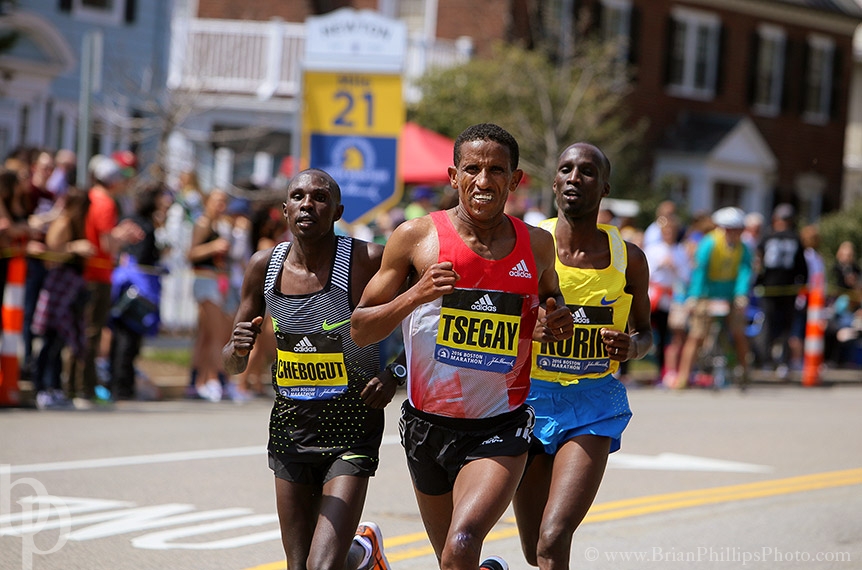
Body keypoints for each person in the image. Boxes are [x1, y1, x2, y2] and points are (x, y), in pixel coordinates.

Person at [350, 123, 574, 570]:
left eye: (496, 170)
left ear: (516, 179)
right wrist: (416, 295)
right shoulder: (415, 237)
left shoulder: (536, 244)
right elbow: (360, 328)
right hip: (425, 426)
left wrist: (553, 320)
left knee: (462, 543)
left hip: (500, 424)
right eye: (472, 169)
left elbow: (552, 301)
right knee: (452, 560)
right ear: (453, 176)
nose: (484, 181)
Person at [222, 168, 396, 570]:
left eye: (319, 197)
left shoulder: (367, 260)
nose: (308, 204)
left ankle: (357, 552)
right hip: (291, 430)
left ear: (337, 210)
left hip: (352, 427)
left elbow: (422, 318)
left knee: (321, 568)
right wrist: (236, 349)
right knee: (300, 567)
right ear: (284, 210)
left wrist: (395, 373)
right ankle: (363, 555)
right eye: (298, 196)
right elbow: (231, 364)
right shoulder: (263, 266)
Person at [511, 142, 653, 570]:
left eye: (587, 171)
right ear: (554, 182)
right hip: (526, 402)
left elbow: (646, 332)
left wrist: (633, 347)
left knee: (554, 538)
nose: (575, 177)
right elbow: (496, 319)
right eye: (566, 169)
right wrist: (530, 331)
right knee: (534, 547)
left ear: (604, 186)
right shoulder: (527, 245)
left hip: (591, 404)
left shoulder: (629, 257)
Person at [71, 154, 143, 409]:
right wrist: (123, 235)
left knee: (83, 331)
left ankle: (77, 387)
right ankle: (83, 389)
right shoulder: (105, 203)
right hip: (98, 275)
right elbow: (107, 244)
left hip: (87, 272)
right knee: (91, 333)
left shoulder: (90, 197)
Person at [674, 207, 754, 389]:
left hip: (731, 296)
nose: (733, 233)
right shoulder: (709, 243)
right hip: (706, 294)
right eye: (729, 229)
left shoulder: (744, 248)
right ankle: (683, 377)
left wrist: (741, 294)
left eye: (737, 229)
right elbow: (700, 271)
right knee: (696, 335)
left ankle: (744, 371)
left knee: (739, 333)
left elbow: (744, 271)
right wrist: (694, 296)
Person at [30, 187, 94, 409]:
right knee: (49, 339)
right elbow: (51, 257)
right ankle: (41, 387)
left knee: (61, 340)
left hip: (69, 287)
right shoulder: (63, 223)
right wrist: (74, 247)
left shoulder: (74, 224)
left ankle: (55, 387)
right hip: (58, 285)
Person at [108, 182, 170, 400]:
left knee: (125, 338)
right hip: (136, 289)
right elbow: (142, 256)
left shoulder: (138, 221)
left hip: (128, 286)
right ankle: (121, 386)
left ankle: (120, 384)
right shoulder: (142, 224)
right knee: (128, 338)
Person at [186, 189, 232, 400]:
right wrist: (213, 246)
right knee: (217, 334)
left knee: (205, 336)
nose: (220, 206)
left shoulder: (218, 225)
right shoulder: (203, 223)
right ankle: (216, 379)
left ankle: (196, 381)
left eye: (224, 202)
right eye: (217, 201)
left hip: (215, 281)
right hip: (205, 281)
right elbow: (191, 253)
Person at [755, 203, 808, 378]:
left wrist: (758, 283)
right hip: (785, 289)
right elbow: (802, 268)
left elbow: (759, 265)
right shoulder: (795, 238)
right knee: (783, 327)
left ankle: (768, 362)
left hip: (774, 288)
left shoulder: (768, 237)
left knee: (771, 325)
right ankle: (778, 362)